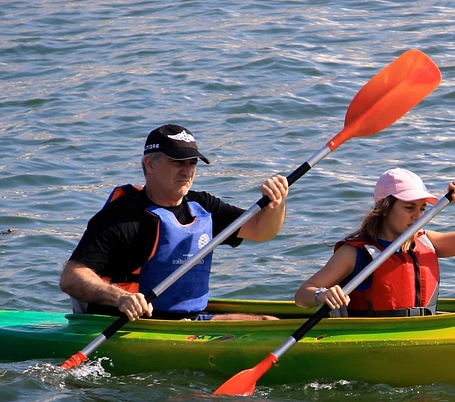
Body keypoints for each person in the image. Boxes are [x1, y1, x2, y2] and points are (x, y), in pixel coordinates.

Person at [60, 124, 289, 321]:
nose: (187, 171)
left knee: (268, 320)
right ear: (150, 164)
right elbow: (72, 277)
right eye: (178, 162)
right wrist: (120, 298)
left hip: (188, 319)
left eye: (192, 163)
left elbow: (261, 230)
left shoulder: (203, 206)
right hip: (132, 322)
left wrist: (276, 204)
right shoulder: (121, 217)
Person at [295, 167, 455, 316]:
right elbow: (302, 296)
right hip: (374, 338)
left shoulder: (427, 241)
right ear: (385, 208)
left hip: (421, 330)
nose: (417, 216)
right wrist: (321, 294)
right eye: (409, 207)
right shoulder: (354, 253)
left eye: (422, 209)